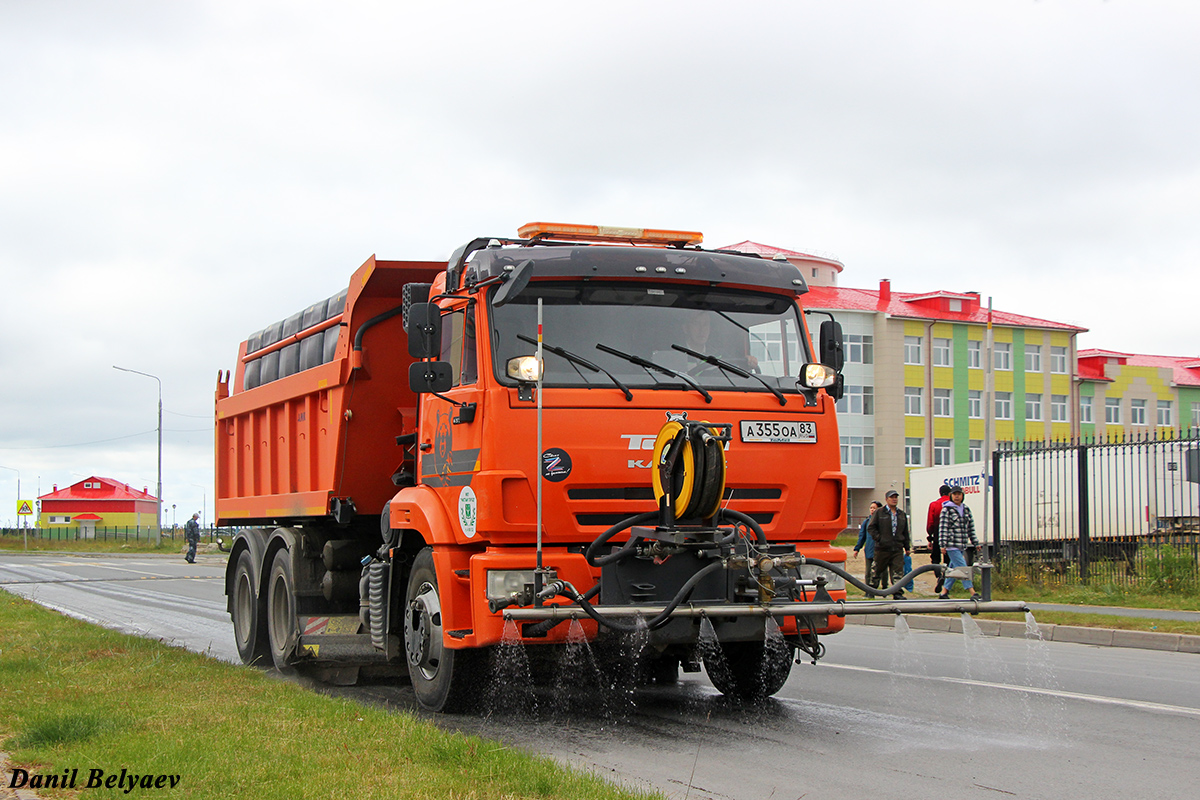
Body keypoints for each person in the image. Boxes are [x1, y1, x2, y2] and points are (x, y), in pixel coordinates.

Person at [937, 486, 980, 600]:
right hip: (951, 545)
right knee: (962, 568)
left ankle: (944, 592)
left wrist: (975, 542)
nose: (957, 496)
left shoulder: (966, 509)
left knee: (954, 569)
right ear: (951, 495)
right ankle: (972, 592)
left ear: (962, 495)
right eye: (954, 494)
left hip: (961, 544)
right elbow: (943, 528)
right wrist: (942, 544)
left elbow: (970, 528)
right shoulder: (946, 510)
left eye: (959, 494)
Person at [867, 490, 911, 599]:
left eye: (896, 497)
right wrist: (879, 538)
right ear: (887, 499)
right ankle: (871, 590)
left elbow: (905, 531)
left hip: (897, 548)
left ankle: (897, 592)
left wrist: (907, 547)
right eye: (892, 497)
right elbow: (871, 527)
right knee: (877, 569)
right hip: (882, 548)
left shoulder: (901, 514)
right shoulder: (879, 512)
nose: (894, 499)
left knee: (897, 572)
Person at [927, 484, 953, 594]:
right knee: (949, 559)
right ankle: (947, 578)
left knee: (936, 557)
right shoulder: (953, 505)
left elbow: (930, 522)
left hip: (938, 533)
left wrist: (930, 535)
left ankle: (938, 576)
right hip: (951, 535)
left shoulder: (934, 504)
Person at [852, 501, 882, 587]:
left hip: (880, 550)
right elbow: (862, 536)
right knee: (868, 571)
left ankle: (881, 587)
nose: (872, 510)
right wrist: (857, 549)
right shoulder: (867, 522)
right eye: (871, 508)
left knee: (880, 570)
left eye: (874, 508)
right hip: (869, 550)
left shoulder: (882, 522)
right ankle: (868, 588)